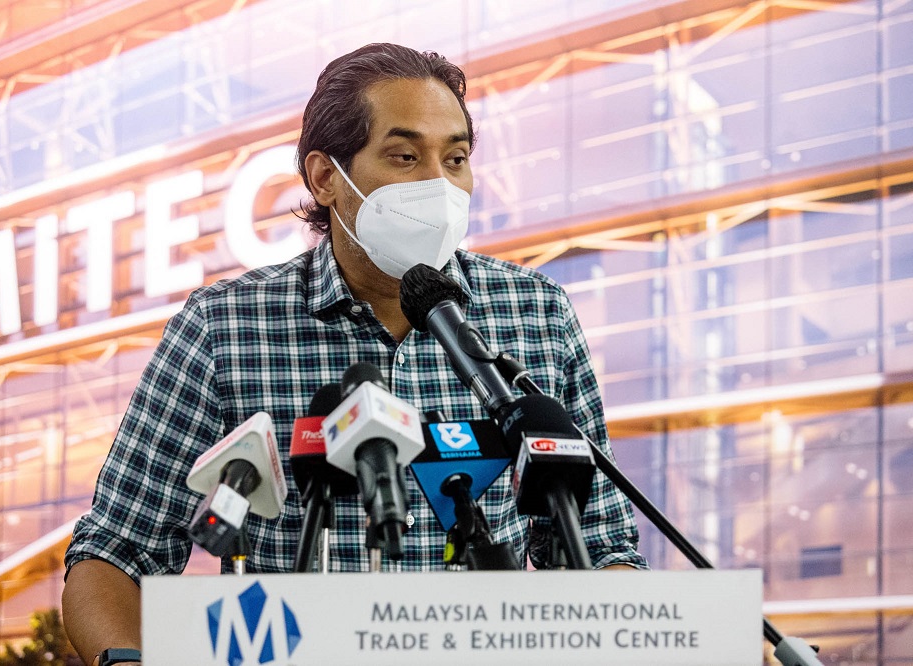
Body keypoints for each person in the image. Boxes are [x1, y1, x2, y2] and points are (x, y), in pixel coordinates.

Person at [61, 42, 647, 665]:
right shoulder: (223, 327)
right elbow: (115, 553)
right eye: (404, 156)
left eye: (455, 159)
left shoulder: (536, 314)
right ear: (324, 178)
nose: (438, 185)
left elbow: (602, 548)